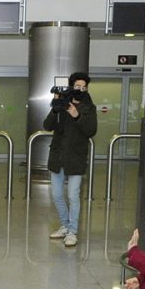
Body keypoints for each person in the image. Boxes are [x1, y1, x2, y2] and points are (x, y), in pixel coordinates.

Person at [43, 72, 97, 247]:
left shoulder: (89, 107)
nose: (81, 89)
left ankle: (72, 231)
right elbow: (47, 125)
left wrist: (77, 115)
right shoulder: (62, 103)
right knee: (57, 194)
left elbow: (91, 130)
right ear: (72, 86)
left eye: (84, 87)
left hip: (76, 156)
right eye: (77, 86)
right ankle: (65, 226)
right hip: (58, 156)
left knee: (73, 195)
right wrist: (56, 107)